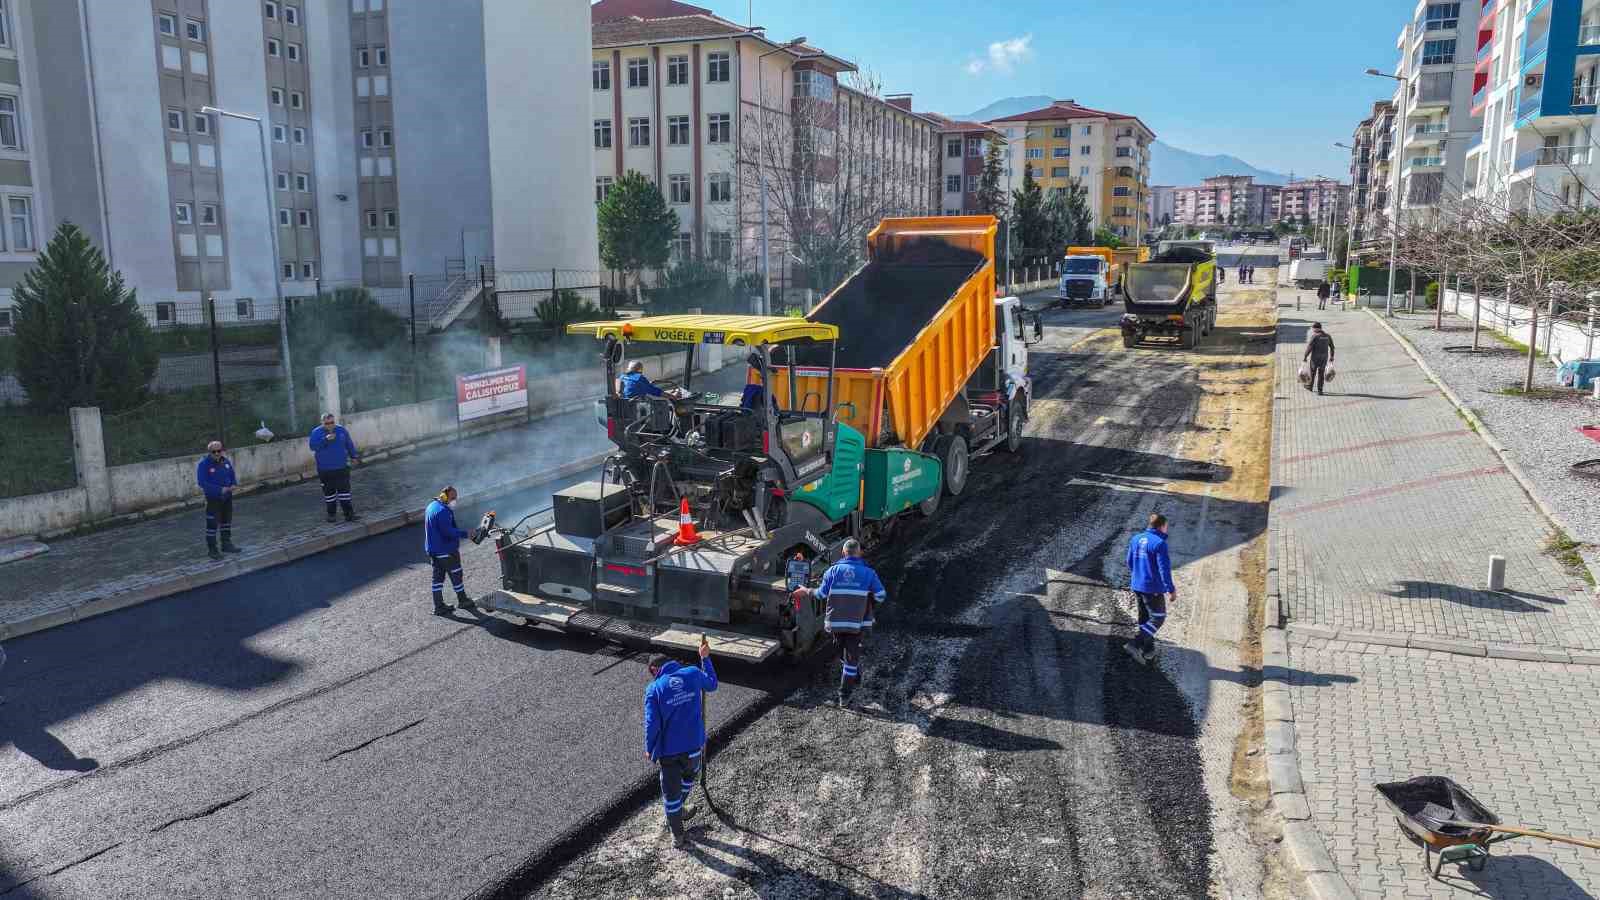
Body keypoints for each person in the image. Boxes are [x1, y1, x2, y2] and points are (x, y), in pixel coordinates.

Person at [791, 538, 886, 707]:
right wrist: (866, 600)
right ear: (859, 553)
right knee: (850, 659)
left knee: (845, 655)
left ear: (843, 553)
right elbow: (880, 595)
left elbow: (820, 595)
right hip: (856, 625)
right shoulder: (869, 573)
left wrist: (805, 590)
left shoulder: (832, 571)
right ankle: (844, 694)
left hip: (835, 624)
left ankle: (853, 673)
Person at [644, 638, 718, 849]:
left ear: (654, 669)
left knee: (671, 796)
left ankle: (677, 834)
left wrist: (650, 749)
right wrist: (705, 658)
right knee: (688, 779)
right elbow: (712, 684)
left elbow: (651, 725)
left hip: (669, 753)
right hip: (694, 748)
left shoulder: (654, 689)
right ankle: (680, 811)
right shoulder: (694, 673)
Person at [1123, 513, 1176, 665]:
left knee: (1144, 617)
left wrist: (1138, 576)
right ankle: (1135, 644)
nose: (1167, 530)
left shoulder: (1135, 538)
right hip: (1152, 588)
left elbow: (1129, 561)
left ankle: (1148, 649)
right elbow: (1164, 569)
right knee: (1158, 617)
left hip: (1137, 585)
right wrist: (1170, 589)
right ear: (1161, 526)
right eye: (1166, 527)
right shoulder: (1159, 543)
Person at [424, 486, 476, 615]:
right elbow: (448, 532)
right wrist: (466, 534)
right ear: (445, 497)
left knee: (438, 578)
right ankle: (463, 600)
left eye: (456, 498)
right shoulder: (442, 511)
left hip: (433, 550)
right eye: (453, 498)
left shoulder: (432, 506)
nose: (455, 501)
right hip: (445, 550)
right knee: (456, 573)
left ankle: (439, 606)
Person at [309, 413, 361, 523]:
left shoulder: (341, 430)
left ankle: (349, 515)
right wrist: (325, 440)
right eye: (327, 423)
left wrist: (354, 456)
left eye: (332, 422)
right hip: (325, 470)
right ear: (322, 423)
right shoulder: (316, 432)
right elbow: (313, 447)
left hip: (342, 467)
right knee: (329, 494)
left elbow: (349, 444)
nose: (330, 425)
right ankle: (331, 515)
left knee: (344, 492)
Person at [196, 440, 241, 560]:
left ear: (222, 450)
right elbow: (202, 482)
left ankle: (226, 544)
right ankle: (212, 550)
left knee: (226, 521)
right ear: (209, 452)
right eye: (213, 451)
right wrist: (219, 490)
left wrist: (234, 485)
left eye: (219, 451)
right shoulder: (204, 464)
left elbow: (232, 475)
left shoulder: (226, 462)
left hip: (227, 498)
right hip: (213, 499)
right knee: (212, 524)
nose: (216, 453)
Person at [1303, 322, 1336, 395]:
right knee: (1321, 374)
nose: (1313, 330)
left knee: (1312, 372)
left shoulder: (1315, 336)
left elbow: (1309, 348)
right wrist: (1332, 356)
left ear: (1316, 328)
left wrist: (1305, 356)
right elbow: (1332, 347)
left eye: (1313, 328)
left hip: (1315, 358)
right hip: (1324, 358)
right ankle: (1320, 390)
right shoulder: (1328, 336)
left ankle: (1310, 386)